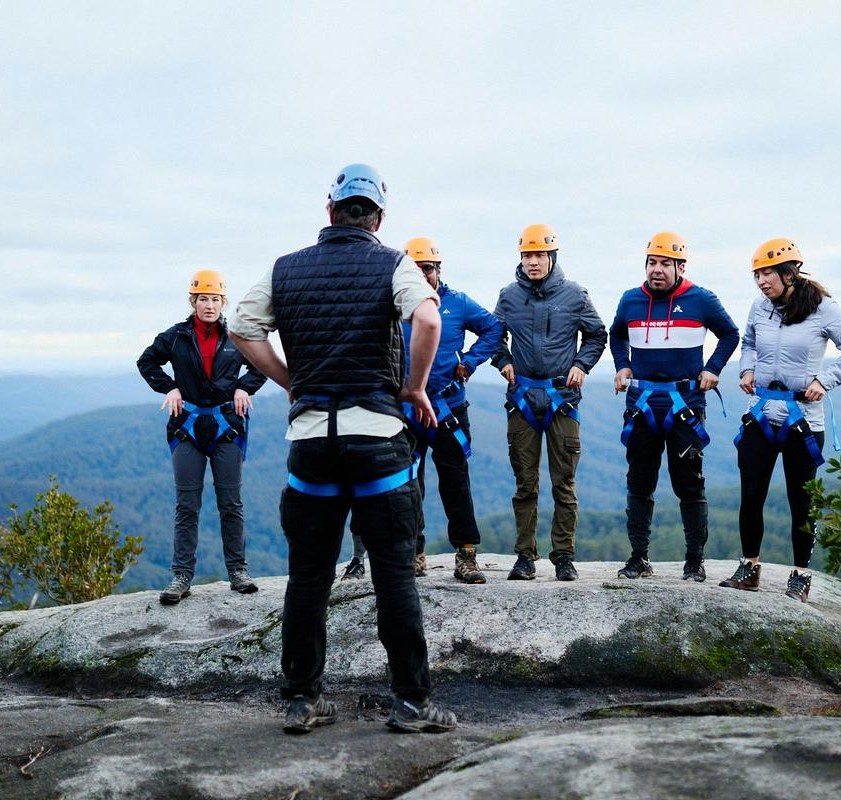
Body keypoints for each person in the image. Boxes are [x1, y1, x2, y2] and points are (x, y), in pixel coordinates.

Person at [228, 163, 456, 734]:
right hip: (377, 440)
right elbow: (427, 318)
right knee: (394, 576)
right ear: (377, 217)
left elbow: (242, 326)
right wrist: (414, 387)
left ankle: (303, 700)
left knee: (308, 577)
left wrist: (290, 382)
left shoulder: (287, 269)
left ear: (330, 212)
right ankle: (411, 703)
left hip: (310, 443)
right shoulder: (393, 264)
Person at [343, 236, 502, 585]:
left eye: (427, 269)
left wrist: (470, 362)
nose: (422, 275)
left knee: (456, 482)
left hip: (447, 406)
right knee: (406, 484)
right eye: (414, 269)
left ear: (438, 270)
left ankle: (466, 555)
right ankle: (413, 554)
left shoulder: (456, 303)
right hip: (404, 410)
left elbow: (493, 328)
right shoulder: (392, 305)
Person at [719, 238, 841, 602]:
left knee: (801, 502)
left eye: (767, 274)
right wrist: (747, 368)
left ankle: (801, 576)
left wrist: (824, 381)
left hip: (802, 419)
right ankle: (750, 567)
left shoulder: (823, 309)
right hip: (761, 414)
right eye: (757, 275)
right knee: (751, 496)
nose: (760, 282)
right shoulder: (760, 307)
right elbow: (749, 342)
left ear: (789, 273)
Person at [610, 232, 739, 581]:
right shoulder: (631, 300)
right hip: (643, 405)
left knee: (689, 484)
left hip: (685, 404)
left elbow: (730, 334)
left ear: (681, 266)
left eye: (665, 264)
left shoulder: (701, 300)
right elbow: (616, 334)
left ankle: (695, 561)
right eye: (652, 262)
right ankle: (638, 558)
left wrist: (713, 369)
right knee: (639, 482)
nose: (657, 270)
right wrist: (622, 364)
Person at [137, 270, 266, 605]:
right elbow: (147, 361)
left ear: (224, 302)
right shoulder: (177, 337)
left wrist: (242, 387)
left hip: (226, 426)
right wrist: (169, 387)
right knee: (187, 504)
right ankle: (181, 577)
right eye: (203, 299)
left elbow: (260, 366)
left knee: (230, 502)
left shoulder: (236, 335)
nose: (209, 305)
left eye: (215, 299)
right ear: (193, 302)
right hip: (187, 426)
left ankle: (238, 572)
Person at [492, 224, 607, 581]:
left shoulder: (575, 295)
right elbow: (494, 336)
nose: (532, 262)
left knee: (564, 483)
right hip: (523, 398)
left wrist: (581, 365)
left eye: (539, 255)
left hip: (562, 399)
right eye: (526, 255)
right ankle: (525, 556)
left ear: (551, 257)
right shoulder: (509, 296)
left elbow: (596, 334)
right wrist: (503, 360)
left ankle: (563, 557)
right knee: (525, 484)